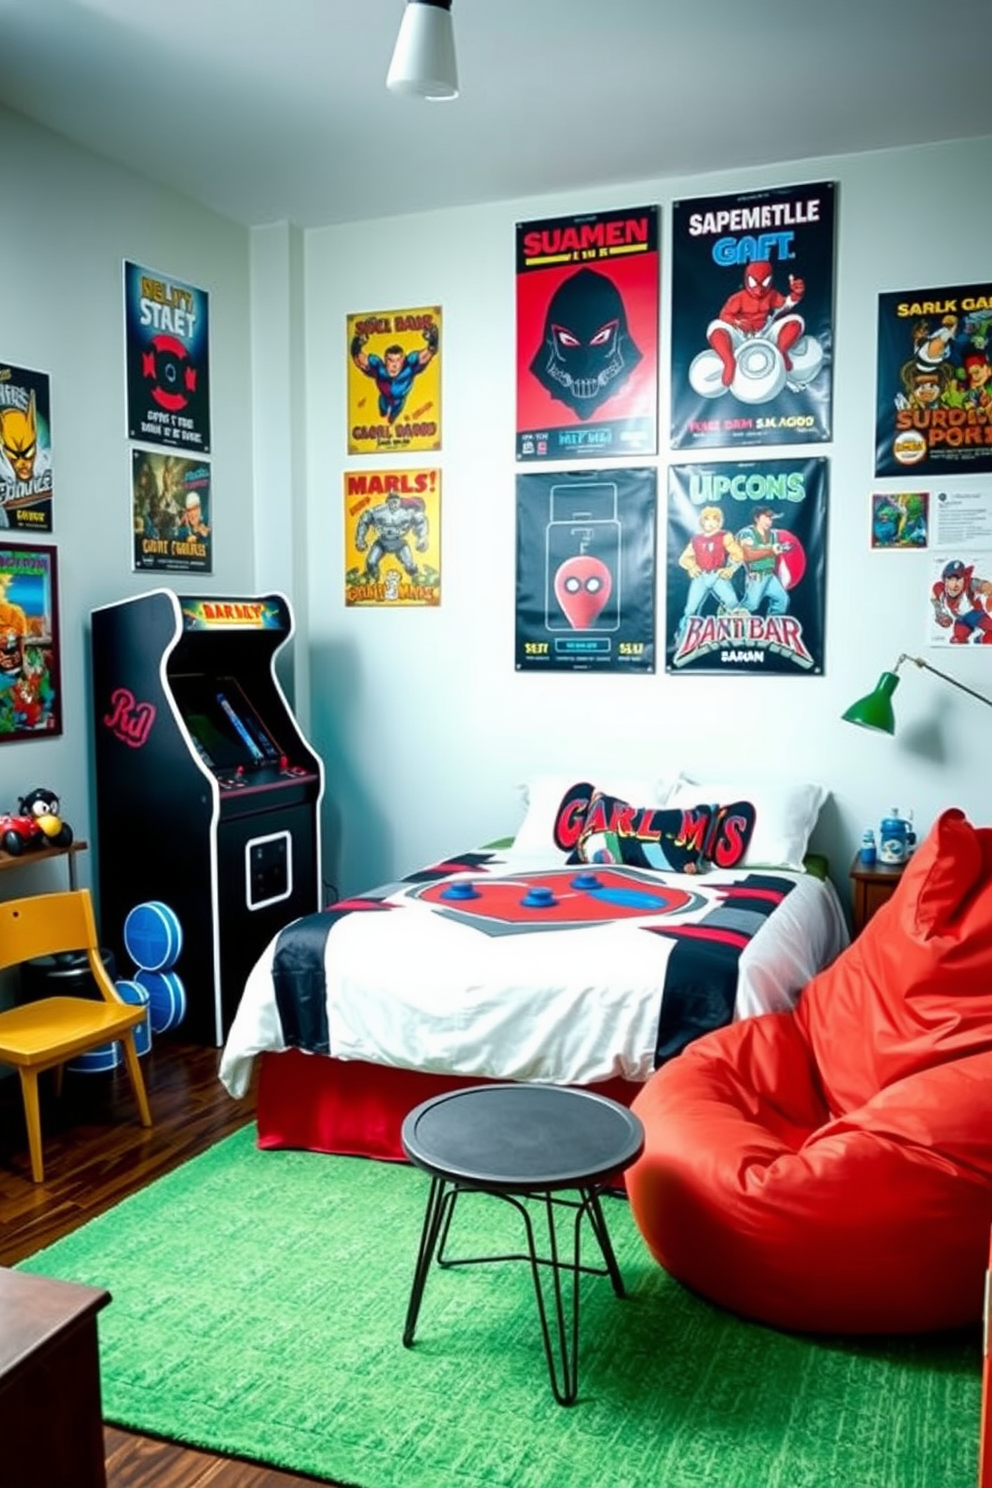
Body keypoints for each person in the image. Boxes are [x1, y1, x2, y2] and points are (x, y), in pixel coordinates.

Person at [707, 259, 805, 388]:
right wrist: (737, 323)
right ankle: (729, 361)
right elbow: (724, 315)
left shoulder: (772, 295)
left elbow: (785, 306)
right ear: (747, 279)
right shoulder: (738, 298)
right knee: (715, 327)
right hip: (741, 337)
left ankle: (781, 352)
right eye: (754, 283)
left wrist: (796, 294)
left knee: (796, 321)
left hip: (765, 335)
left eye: (765, 283)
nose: (759, 290)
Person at [351, 324, 438, 424]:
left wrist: (433, 342)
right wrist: (356, 345)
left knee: (392, 419)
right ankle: (383, 414)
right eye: (391, 360)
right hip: (383, 398)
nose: (394, 365)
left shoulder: (409, 367)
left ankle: (391, 420)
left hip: (399, 402)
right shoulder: (379, 368)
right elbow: (359, 360)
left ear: (403, 360)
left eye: (398, 360)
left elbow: (427, 354)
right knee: (382, 412)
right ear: (385, 361)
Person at [677, 506, 743, 627]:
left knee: (732, 603)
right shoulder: (696, 539)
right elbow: (683, 558)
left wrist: (730, 569)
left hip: (717, 575)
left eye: (715, 520)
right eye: (707, 519)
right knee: (691, 609)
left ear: (719, 522)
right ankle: (683, 635)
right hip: (701, 576)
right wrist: (691, 566)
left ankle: (732, 627)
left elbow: (738, 554)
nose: (711, 523)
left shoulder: (724, 536)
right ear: (702, 521)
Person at [355, 492, 428, 582]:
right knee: (371, 562)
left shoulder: (408, 513)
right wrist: (360, 539)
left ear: (400, 502)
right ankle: (373, 580)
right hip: (382, 542)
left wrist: (422, 538)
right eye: (391, 502)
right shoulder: (378, 511)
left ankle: (418, 581)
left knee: (410, 566)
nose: (393, 505)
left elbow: (421, 521)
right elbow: (364, 519)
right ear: (387, 502)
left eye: (396, 502)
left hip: (399, 543)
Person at [736, 505, 793, 615]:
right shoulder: (747, 533)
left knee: (782, 600)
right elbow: (748, 555)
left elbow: (772, 554)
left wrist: (781, 548)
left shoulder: (773, 535)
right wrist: (771, 550)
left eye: (771, 518)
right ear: (757, 518)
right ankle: (730, 623)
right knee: (751, 605)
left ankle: (773, 627)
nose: (769, 521)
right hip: (757, 575)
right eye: (766, 517)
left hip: (770, 575)